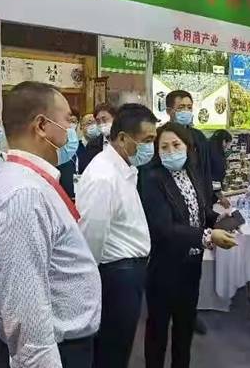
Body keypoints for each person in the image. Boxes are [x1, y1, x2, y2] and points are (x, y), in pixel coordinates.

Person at [0, 81, 101, 368]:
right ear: (42, 126)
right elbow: (26, 309)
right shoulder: (24, 194)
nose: (72, 130)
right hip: (55, 350)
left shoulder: (26, 181)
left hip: (63, 343)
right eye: (67, 121)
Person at [140, 122, 237, 368]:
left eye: (176, 145)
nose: (171, 151)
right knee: (158, 329)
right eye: (164, 147)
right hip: (164, 266)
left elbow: (200, 210)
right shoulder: (152, 179)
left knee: (185, 326)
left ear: (188, 147)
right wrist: (208, 236)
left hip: (191, 263)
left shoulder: (192, 172)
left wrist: (219, 220)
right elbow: (164, 228)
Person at [77, 103, 157, 368]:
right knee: (112, 350)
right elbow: (91, 237)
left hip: (128, 272)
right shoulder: (103, 176)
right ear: (122, 138)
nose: (151, 147)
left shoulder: (123, 168)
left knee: (120, 346)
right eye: (147, 140)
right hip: (116, 275)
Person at [164, 89, 219, 334]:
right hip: (172, 214)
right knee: (170, 269)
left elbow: (205, 174)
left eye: (189, 106)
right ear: (169, 111)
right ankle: (166, 312)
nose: (186, 111)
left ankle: (190, 313)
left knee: (193, 269)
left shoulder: (199, 138)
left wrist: (209, 205)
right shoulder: (162, 137)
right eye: (181, 107)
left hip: (198, 209)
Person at [58, 108, 86, 199]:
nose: (71, 125)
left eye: (74, 122)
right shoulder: (57, 150)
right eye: (69, 121)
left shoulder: (81, 147)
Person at [80, 103, 117, 172]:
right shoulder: (92, 145)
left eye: (104, 119)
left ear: (115, 118)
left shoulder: (125, 141)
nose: (101, 124)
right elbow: (86, 170)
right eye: (98, 121)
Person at [208, 129, 233, 201]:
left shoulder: (206, 147)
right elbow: (215, 178)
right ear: (224, 141)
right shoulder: (217, 155)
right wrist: (221, 197)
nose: (228, 147)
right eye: (229, 144)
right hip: (210, 193)